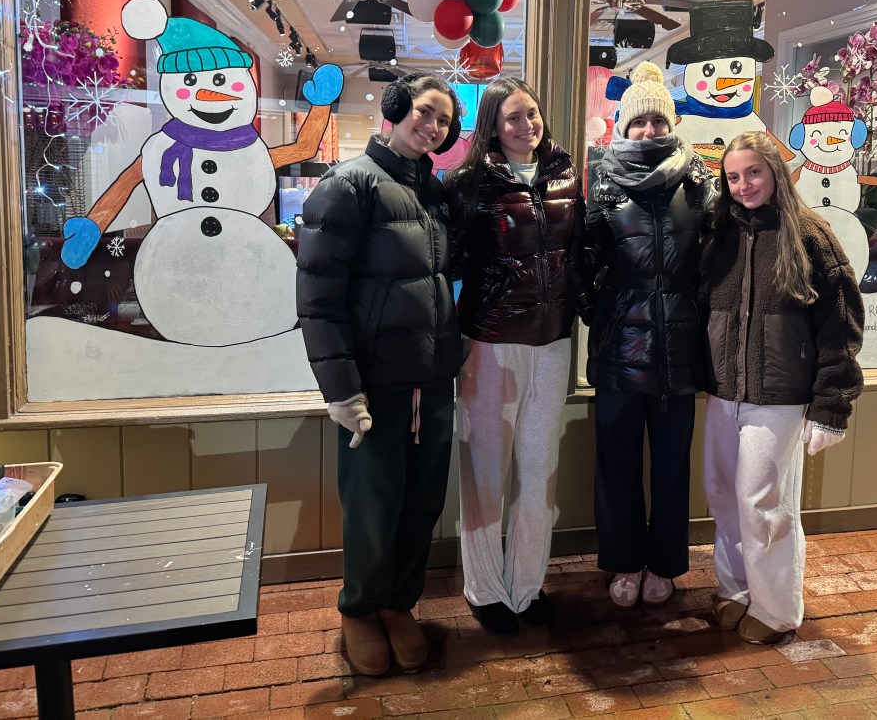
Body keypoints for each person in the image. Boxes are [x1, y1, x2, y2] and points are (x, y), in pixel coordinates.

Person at [297, 73, 464, 676]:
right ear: (397, 110)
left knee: (421, 500)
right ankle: (360, 608)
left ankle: (400, 603)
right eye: (425, 112)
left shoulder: (435, 194)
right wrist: (340, 389)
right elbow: (318, 298)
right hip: (374, 383)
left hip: (433, 378)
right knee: (372, 502)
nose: (433, 126)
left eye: (444, 119)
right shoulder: (348, 185)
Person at [700, 130, 864, 645]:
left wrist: (831, 405)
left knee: (763, 502)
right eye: (733, 176)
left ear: (775, 173)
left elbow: (841, 323)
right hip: (725, 391)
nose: (744, 184)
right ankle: (737, 590)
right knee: (725, 496)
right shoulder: (718, 232)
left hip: (780, 396)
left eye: (753, 173)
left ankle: (776, 609)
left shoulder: (811, 234)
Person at [444, 78, 588, 636]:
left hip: (552, 342)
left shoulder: (567, 175)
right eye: (512, 118)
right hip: (491, 344)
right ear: (491, 126)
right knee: (484, 474)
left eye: (531, 113)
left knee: (538, 473)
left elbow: (580, 253)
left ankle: (528, 584)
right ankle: (484, 588)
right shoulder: (467, 183)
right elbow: (449, 263)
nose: (526, 125)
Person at [585, 60, 711, 609]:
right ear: (622, 126)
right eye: (639, 123)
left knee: (671, 464)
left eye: (658, 121)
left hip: (679, 350)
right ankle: (622, 561)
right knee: (615, 464)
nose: (650, 131)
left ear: (671, 123)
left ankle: (665, 563)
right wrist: (601, 313)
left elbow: (714, 257)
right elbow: (583, 258)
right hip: (620, 350)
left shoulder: (698, 180)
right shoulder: (605, 182)